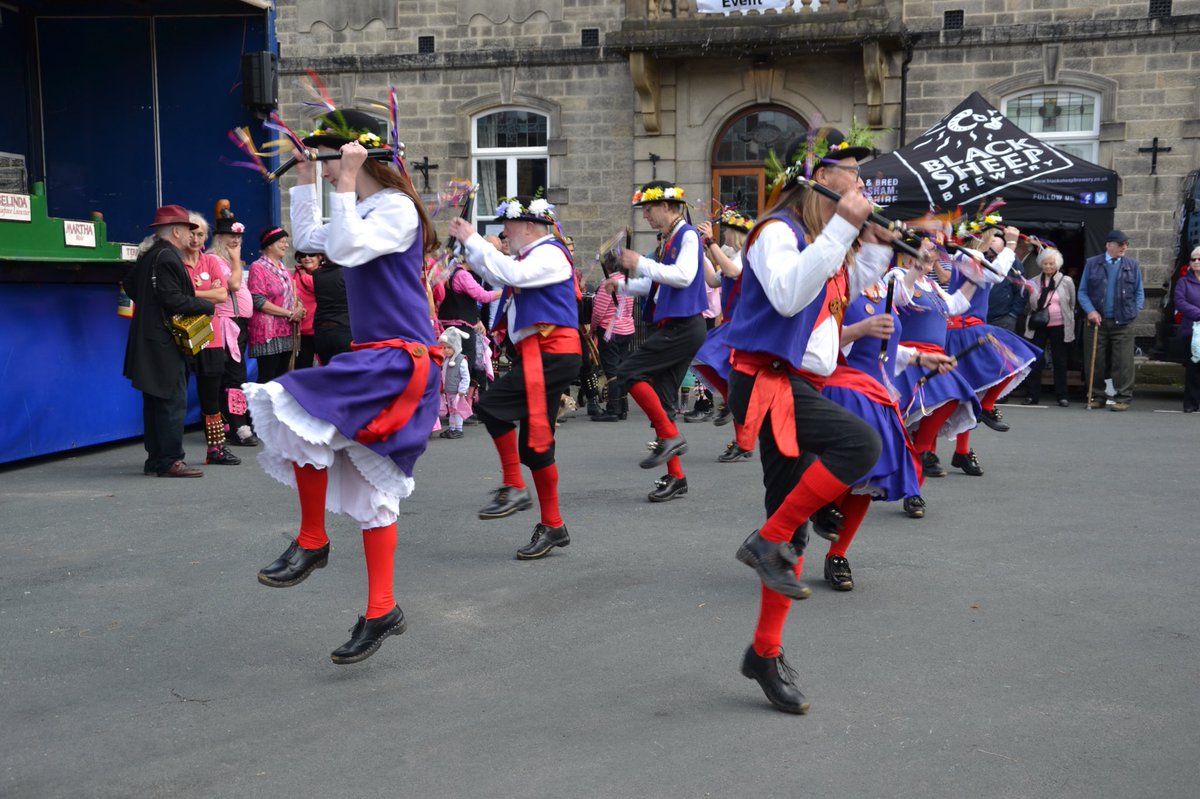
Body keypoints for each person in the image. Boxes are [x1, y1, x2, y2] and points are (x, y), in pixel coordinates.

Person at [246, 108, 442, 665]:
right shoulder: (367, 205)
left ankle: (312, 541)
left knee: (290, 404)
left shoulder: (397, 209)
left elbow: (350, 249)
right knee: (371, 490)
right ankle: (382, 608)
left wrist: (348, 184)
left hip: (398, 362)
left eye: (327, 161)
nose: (328, 173)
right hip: (378, 358)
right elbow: (314, 239)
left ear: (357, 157)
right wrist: (308, 183)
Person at [721, 129, 896, 714]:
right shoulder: (775, 232)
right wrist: (848, 227)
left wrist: (872, 242)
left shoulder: (819, 238)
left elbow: (841, 293)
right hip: (764, 382)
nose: (861, 184)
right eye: (852, 174)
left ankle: (764, 655)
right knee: (860, 443)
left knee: (789, 525)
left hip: (790, 382)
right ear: (818, 180)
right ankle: (766, 541)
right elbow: (792, 296)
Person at [449, 195, 582, 559]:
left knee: (491, 406)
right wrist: (469, 244)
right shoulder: (530, 257)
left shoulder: (551, 253)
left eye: (507, 227)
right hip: (544, 356)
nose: (504, 235)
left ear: (528, 226)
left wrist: (474, 239)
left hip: (553, 354)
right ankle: (554, 525)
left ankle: (513, 485)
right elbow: (498, 272)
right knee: (536, 447)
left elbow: (511, 274)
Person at [599, 180, 708, 503]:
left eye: (649, 209)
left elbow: (684, 276)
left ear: (668, 207)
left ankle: (671, 438)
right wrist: (624, 287)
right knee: (662, 401)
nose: (645, 215)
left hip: (684, 325)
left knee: (629, 372)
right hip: (676, 325)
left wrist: (640, 263)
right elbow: (658, 286)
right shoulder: (669, 239)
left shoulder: (687, 235)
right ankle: (676, 477)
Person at [122, 205, 215, 477]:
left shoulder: (151, 254)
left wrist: (150, 307)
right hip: (165, 341)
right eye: (189, 230)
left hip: (149, 338)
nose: (192, 236)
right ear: (176, 231)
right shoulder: (168, 257)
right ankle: (171, 460)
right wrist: (206, 305)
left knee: (155, 401)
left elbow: (130, 285)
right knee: (173, 402)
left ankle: (157, 459)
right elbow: (173, 299)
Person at [940, 224, 1040, 476]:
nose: (997, 239)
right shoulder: (967, 256)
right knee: (956, 396)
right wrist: (1010, 244)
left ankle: (962, 450)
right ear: (981, 236)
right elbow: (995, 275)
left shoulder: (969, 257)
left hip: (971, 330)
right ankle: (930, 450)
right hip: (963, 332)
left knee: (973, 391)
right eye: (993, 235)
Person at [693, 208, 755, 462]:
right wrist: (698, 252)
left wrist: (711, 242)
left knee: (705, 355)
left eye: (728, 231)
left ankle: (743, 435)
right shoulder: (734, 257)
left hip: (740, 328)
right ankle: (741, 432)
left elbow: (732, 272)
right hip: (730, 326)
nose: (725, 235)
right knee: (706, 360)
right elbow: (713, 279)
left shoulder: (744, 257)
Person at [181, 211, 240, 466]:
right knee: (175, 392)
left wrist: (189, 292)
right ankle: (170, 452)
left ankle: (215, 449)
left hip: (211, 336)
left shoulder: (211, 261)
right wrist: (207, 292)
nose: (195, 238)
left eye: (200, 234)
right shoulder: (174, 262)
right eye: (191, 233)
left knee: (210, 395)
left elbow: (222, 295)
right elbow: (211, 294)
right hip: (180, 335)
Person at [210, 203, 259, 446]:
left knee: (230, 374)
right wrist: (238, 259)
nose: (235, 241)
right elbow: (234, 285)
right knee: (234, 375)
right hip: (226, 323)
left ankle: (229, 422)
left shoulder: (228, 260)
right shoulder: (215, 259)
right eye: (231, 236)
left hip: (238, 323)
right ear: (220, 238)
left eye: (238, 237)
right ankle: (238, 425)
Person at [1078, 230, 1144, 411]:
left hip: (1123, 322)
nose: (1124, 247)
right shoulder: (1092, 264)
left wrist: (1134, 311)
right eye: (1120, 244)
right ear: (1108, 245)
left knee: (1122, 362)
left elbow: (1139, 292)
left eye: (1126, 244)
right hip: (1097, 322)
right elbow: (1082, 291)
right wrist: (1090, 311)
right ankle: (1096, 396)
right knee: (1095, 361)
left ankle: (1122, 397)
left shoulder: (1132, 265)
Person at [248, 228, 304, 382]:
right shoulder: (258, 267)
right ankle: (261, 407)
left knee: (282, 379)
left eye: (286, 242)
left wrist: (299, 308)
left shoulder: (284, 269)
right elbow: (258, 301)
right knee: (267, 378)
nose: (286, 245)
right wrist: (289, 313)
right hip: (268, 332)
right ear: (269, 245)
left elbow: (294, 296)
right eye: (282, 242)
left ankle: (278, 407)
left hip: (287, 331)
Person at [1022, 248, 1076, 407]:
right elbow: (1030, 305)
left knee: (1059, 361)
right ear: (1041, 264)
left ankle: (1062, 396)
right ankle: (1032, 395)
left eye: (1051, 263)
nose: (1048, 266)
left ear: (1057, 264)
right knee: (1036, 360)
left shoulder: (1066, 281)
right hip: (1038, 325)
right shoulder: (1033, 281)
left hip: (1059, 325)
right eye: (1045, 263)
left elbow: (1071, 303)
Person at [589, 270, 635, 421]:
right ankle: (623, 407)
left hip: (610, 329)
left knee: (611, 369)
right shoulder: (627, 281)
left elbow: (598, 312)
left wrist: (593, 328)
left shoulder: (607, 283)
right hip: (627, 329)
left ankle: (613, 409)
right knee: (621, 367)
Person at [1173, 245, 1200, 412]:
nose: (1196, 261)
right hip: (1192, 331)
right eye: (1193, 259)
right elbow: (1180, 302)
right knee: (1193, 369)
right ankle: (1191, 403)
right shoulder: (1183, 282)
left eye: (1199, 259)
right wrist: (1198, 313)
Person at [311, 256, 352, 364]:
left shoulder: (316, 274)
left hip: (322, 331)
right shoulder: (347, 274)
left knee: (327, 372)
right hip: (343, 329)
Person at [437, 327, 472, 438]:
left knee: (457, 411)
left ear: (456, 347)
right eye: (444, 347)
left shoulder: (461, 360)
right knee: (451, 411)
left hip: (457, 392)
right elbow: (444, 375)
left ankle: (458, 429)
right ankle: (452, 428)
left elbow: (465, 377)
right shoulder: (446, 360)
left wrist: (462, 389)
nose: (446, 350)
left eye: (449, 347)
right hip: (449, 390)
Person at [292, 251, 321, 368]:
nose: (307, 258)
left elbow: (319, 285)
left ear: (320, 257)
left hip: (322, 328)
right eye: (303, 255)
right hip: (302, 330)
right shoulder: (295, 274)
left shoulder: (325, 272)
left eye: (311, 255)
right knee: (302, 367)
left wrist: (304, 276)